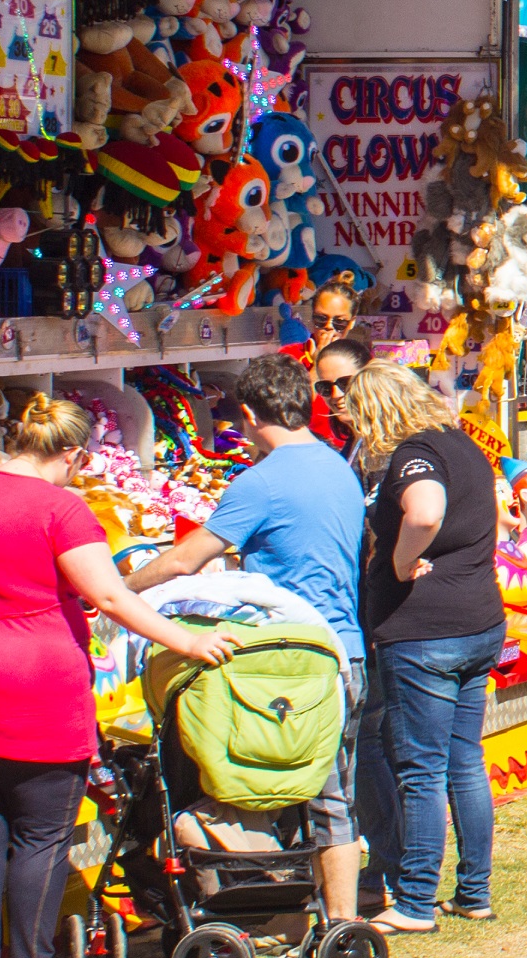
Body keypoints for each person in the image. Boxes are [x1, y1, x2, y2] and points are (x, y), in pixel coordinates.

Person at [0, 395, 236, 958]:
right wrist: (187, 641)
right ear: (72, 454)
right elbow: (111, 596)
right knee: (41, 832)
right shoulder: (62, 509)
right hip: (28, 679)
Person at [125, 355, 370, 921]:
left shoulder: (259, 482)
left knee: (265, 785)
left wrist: (120, 590)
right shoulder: (339, 467)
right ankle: (336, 920)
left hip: (289, 661)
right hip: (345, 652)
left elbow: (187, 558)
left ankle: (286, 917)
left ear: (253, 415)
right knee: (330, 796)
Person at [339, 365, 504, 934]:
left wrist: (401, 563)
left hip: (427, 632)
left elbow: (426, 510)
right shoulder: (463, 444)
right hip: (478, 621)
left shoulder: (415, 454)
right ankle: (474, 892)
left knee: (422, 770)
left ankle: (413, 902)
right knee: (464, 762)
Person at [285, 280, 363, 448]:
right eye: (321, 319)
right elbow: (291, 411)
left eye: (339, 322)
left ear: (351, 322)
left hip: (346, 448)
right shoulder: (291, 355)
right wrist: (317, 365)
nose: (329, 327)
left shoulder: (358, 359)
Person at [309, 329, 371, 456]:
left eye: (345, 383)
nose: (336, 394)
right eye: (325, 386)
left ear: (370, 378)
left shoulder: (392, 441)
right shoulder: (354, 439)